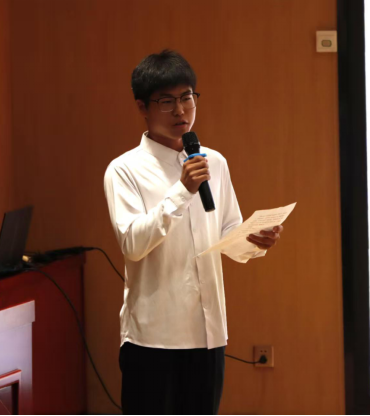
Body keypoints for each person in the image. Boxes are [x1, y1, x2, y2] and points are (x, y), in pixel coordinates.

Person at [103, 50, 284, 416]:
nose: (180, 111)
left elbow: (227, 229)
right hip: (153, 338)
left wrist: (255, 241)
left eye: (187, 98)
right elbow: (133, 244)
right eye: (166, 101)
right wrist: (182, 191)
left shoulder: (214, 162)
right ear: (142, 107)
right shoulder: (124, 170)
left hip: (208, 334)